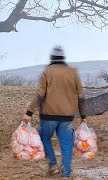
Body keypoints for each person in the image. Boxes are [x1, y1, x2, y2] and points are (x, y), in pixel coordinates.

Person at [23, 45, 86, 177]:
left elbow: (40, 94)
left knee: (44, 137)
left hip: (48, 115)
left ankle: (53, 165)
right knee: (67, 143)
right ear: (63, 58)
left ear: (51, 58)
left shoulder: (46, 72)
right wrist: (83, 115)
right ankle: (66, 173)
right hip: (68, 116)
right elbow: (81, 96)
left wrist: (29, 112)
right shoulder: (73, 72)